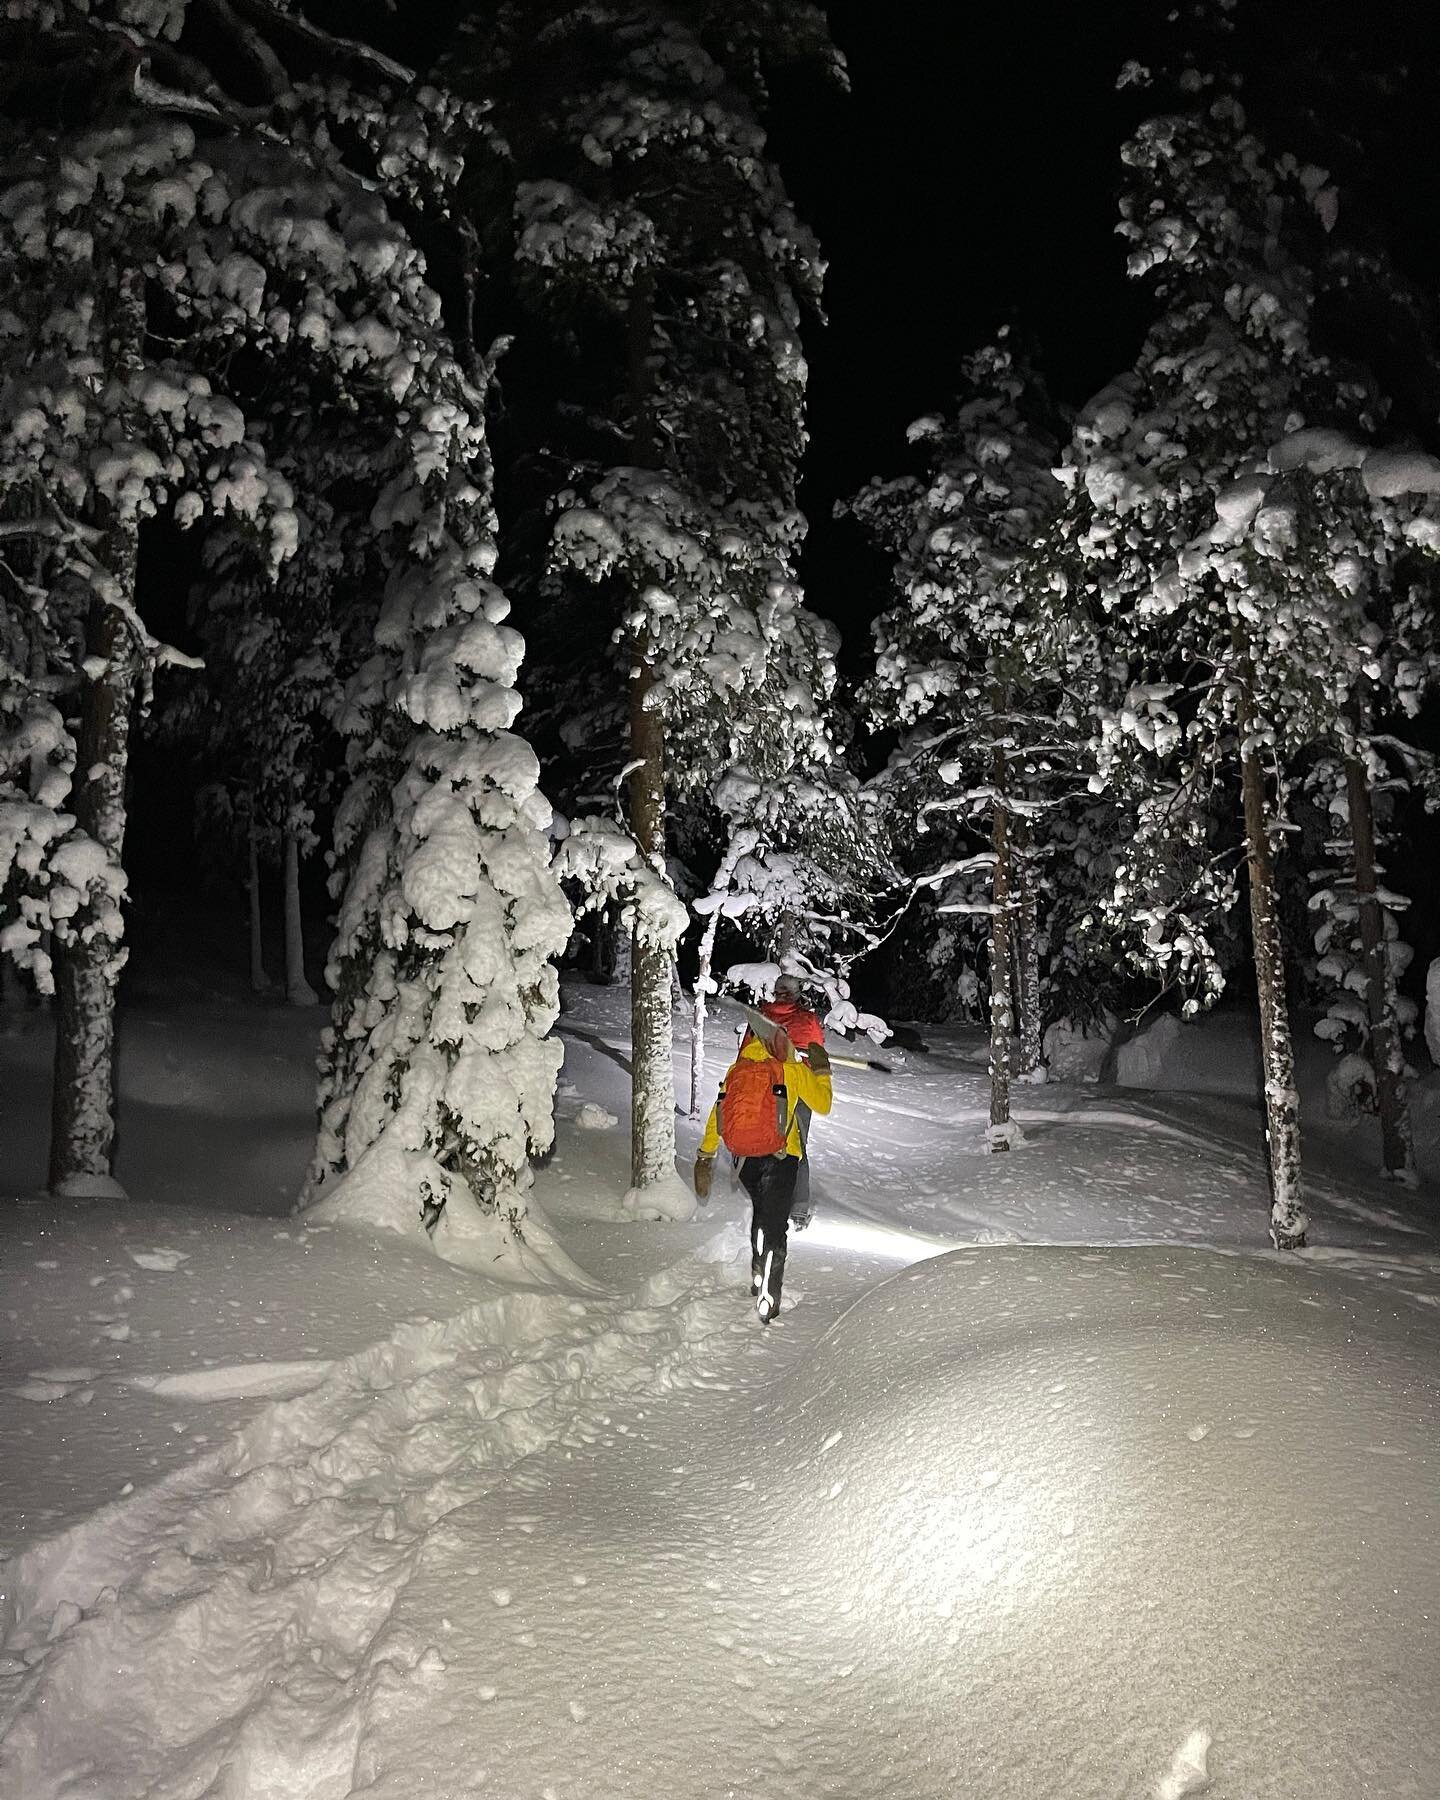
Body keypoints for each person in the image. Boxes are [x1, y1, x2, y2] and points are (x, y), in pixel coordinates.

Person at [693, 1025, 832, 1324]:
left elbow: (718, 1111)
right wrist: (822, 1071)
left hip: (745, 1161)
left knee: (761, 1215)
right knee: (775, 1227)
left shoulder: (738, 1068)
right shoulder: (791, 1068)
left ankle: (757, 1273)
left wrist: (706, 1153)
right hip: (782, 1158)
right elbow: (823, 1104)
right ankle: (769, 1297)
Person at [740, 974, 825, 1227]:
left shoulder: (760, 1019)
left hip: (764, 1089)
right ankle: (798, 1207)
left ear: (776, 992)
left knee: (764, 1140)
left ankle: (763, 1197)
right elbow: (819, 1052)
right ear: (797, 994)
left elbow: (744, 1054)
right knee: (796, 1144)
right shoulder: (807, 1020)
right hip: (799, 1089)